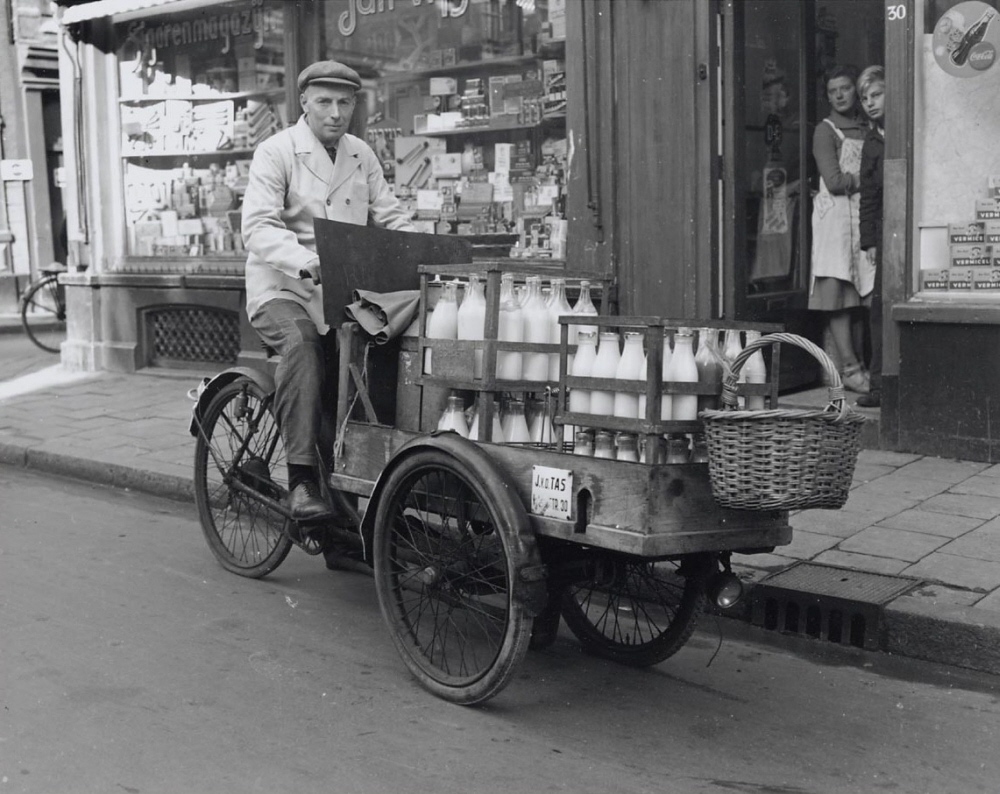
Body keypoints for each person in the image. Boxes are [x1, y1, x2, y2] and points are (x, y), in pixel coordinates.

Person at [242, 60, 415, 525]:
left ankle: (359, 496)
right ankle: (301, 480)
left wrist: (422, 253)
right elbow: (257, 226)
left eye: (344, 102)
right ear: (304, 102)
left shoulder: (360, 152)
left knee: (376, 362)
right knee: (302, 346)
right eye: (324, 102)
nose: (335, 112)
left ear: (355, 105)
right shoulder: (276, 151)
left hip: (344, 292)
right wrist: (306, 261)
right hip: (284, 288)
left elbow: (390, 215)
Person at [808, 64, 874, 394]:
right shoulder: (825, 130)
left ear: (855, 91)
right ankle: (849, 367)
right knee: (837, 294)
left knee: (859, 297)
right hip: (835, 220)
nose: (839, 94)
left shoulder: (866, 126)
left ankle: (861, 366)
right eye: (833, 90)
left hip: (861, 216)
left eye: (845, 88)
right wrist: (869, 180)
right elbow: (834, 182)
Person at [856, 65, 885, 408]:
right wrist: (870, 241)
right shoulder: (871, 143)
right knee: (878, 309)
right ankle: (878, 387)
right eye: (865, 98)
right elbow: (868, 196)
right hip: (883, 230)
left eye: (876, 94)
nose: (869, 103)